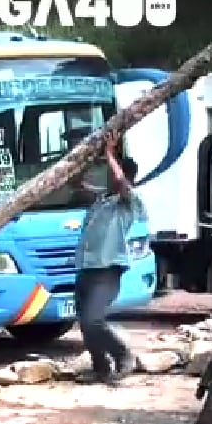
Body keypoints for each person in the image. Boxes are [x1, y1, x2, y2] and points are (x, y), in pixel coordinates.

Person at [72, 134, 145, 385]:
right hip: (86, 269)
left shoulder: (128, 202)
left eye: (112, 171)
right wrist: (85, 158)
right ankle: (100, 368)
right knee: (84, 322)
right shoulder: (102, 200)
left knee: (94, 319)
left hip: (106, 270)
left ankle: (123, 355)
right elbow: (75, 185)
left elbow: (120, 180)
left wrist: (110, 154)